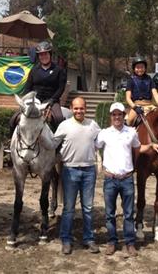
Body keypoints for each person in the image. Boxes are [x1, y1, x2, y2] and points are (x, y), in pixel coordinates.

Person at [95, 102, 158, 257]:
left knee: (129, 213)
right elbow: (95, 146)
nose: (117, 117)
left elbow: (139, 148)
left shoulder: (131, 132)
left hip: (127, 180)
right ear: (111, 117)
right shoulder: (104, 133)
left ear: (124, 116)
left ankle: (130, 243)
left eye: (119, 114)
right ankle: (112, 242)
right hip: (110, 179)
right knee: (110, 214)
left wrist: (151, 144)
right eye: (114, 114)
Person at [53, 97, 101, 255]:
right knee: (68, 209)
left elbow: (103, 140)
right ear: (71, 109)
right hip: (70, 170)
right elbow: (53, 143)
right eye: (76, 108)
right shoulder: (64, 125)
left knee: (88, 208)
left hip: (89, 171)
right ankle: (66, 239)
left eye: (81, 108)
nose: (79, 111)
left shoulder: (93, 125)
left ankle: (88, 238)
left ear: (85, 109)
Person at [9, 41, 67, 135]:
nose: (43, 57)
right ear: (38, 56)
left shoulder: (59, 70)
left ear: (50, 54)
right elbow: (28, 87)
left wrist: (52, 100)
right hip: (35, 100)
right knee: (14, 119)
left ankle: (58, 146)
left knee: (59, 118)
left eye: (45, 54)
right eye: (41, 55)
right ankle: (10, 141)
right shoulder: (34, 70)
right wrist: (26, 100)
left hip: (51, 100)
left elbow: (61, 88)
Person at [125, 56, 158, 126]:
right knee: (129, 120)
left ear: (145, 68)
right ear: (134, 68)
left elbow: (155, 94)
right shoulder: (131, 80)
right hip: (137, 105)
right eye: (137, 67)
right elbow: (128, 98)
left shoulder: (149, 79)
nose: (140, 69)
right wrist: (135, 107)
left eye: (142, 67)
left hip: (150, 105)